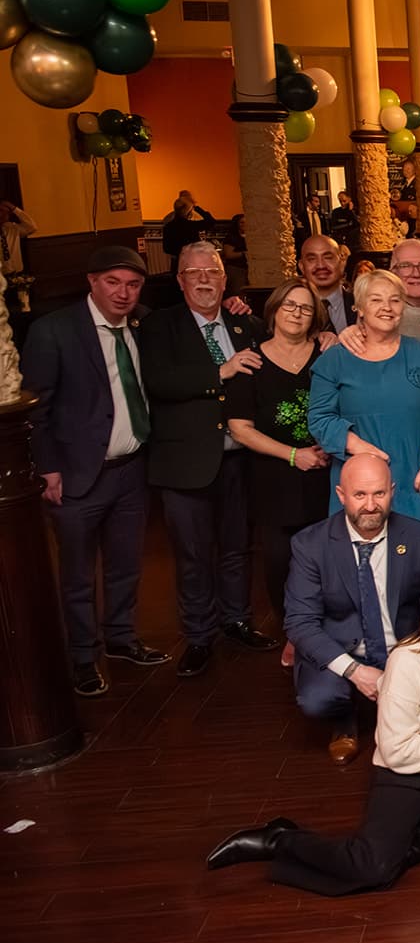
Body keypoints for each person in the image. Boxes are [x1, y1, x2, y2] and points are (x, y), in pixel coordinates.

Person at [205, 571, 420, 893]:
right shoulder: (408, 660)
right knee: (371, 868)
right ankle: (279, 839)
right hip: (411, 773)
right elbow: (397, 752)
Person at [21, 246, 165, 696]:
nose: (124, 293)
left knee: (126, 565)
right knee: (78, 574)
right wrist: (47, 468)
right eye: (113, 282)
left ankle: (121, 638)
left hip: (131, 470)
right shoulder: (54, 330)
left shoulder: (145, 323)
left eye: (133, 284)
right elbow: (36, 410)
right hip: (76, 474)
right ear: (92, 281)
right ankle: (83, 656)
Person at [142, 241, 274, 677]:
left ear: (224, 278)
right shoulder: (159, 326)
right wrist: (220, 371)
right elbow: (159, 382)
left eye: (212, 271)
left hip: (240, 460)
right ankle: (199, 636)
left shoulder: (245, 324)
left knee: (237, 548)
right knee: (193, 555)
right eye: (194, 272)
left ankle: (237, 620)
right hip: (185, 464)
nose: (204, 279)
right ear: (179, 280)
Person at [281, 452, 420, 762]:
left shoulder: (419, 537)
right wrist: (355, 671)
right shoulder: (310, 545)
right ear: (341, 495)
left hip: (403, 648)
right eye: (359, 495)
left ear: (392, 491)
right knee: (317, 699)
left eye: (379, 493)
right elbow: (300, 623)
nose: (370, 505)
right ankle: (345, 718)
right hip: (342, 649)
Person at [311, 270, 420, 568]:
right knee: (367, 566)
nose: (387, 307)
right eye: (376, 300)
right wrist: (360, 448)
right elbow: (320, 417)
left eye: (395, 300)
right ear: (359, 307)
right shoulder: (334, 360)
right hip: (363, 479)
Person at [225, 281, 333, 631]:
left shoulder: (327, 356)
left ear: (315, 317)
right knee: (279, 561)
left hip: (326, 474)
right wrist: (293, 455)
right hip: (273, 478)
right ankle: (294, 632)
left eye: (305, 308)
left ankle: (327, 631)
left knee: (327, 559)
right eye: (289, 305)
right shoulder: (250, 361)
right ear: (273, 310)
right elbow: (240, 428)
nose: (296, 313)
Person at [297, 234, 355, 332]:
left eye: (328, 257)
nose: (320, 265)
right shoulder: (288, 311)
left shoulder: (362, 305)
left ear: (341, 263)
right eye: (312, 259)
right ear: (302, 267)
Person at [162, 194, 214, 260]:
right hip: (191, 260)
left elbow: (166, 249)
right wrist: (196, 207)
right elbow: (211, 221)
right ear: (188, 212)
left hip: (177, 261)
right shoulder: (191, 226)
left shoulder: (168, 227)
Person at [0, 199, 36, 279]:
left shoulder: (12, 228)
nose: (5, 215)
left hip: (16, 273)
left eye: (8, 212)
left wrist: (14, 208)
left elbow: (32, 227)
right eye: (1, 211)